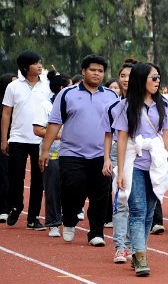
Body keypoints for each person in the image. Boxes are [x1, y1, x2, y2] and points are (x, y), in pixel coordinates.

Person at [39, 55, 118, 245]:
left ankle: (96, 233)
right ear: (84, 71)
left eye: (100, 71)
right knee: (73, 190)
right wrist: (45, 151)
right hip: (72, 154)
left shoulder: (112, 95)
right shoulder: (67, 94)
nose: (97, 74)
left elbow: (119, 125)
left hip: (102, 154)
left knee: (100, 195)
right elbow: (55, 122)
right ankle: (69, 220)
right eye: (93, 70)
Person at [113, 63, 168, 276]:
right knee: (138, 209)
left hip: (157, 164)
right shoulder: (126, 106)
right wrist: (120, 170)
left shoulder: (164, 105)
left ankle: (138, 250)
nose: (157, 81)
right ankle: (140, 256)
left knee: (150, 211)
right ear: (141, 80)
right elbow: (122, 138)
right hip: (135, 162)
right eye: (153, 78)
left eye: (159, 77)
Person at [2, 50, 50, 228]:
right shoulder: (13, 87)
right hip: (17, 138)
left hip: (40, 139)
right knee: (16, 177)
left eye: (40, 62)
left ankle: (33, 217)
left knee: (39, 180)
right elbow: (6, 113)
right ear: (24, 67)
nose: (39, 66)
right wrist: (4, 139)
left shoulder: (47, 85)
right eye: (35, 63)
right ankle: (16, 206)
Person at [103, 58, 137, 263]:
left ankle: (135, 245)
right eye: (122, 76)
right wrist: (107, 158)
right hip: (118, 154)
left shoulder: (148, 104)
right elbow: (108, 134)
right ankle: (120, 247)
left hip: (140, 156)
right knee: (121, 202)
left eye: (130, 76)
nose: (126, 80)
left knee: (137, 203)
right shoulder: (113, 106)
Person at [32, 70, 71, 237]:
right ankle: (54, 223)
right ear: (62, 88)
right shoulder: (46, 106)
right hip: (52, 154)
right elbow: (37, 129)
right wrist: (61, 135)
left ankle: (69, 219)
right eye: (70, 87)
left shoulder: (72, 105)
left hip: (71, 152)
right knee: (52, 187)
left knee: (70, 187)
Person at [0, 73, 17, 223]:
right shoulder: (4, 106)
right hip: (4, 142)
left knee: (14, 176)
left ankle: (11, 205)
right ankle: (3, 208)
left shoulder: (18, 102)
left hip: (17, 141)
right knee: (3, 175)